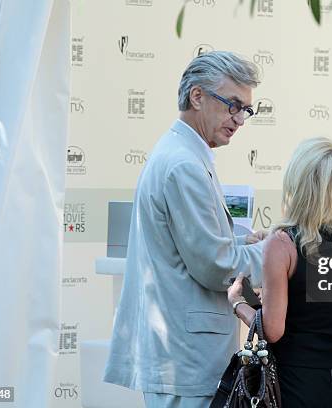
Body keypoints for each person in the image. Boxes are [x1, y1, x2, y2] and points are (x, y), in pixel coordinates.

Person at [103, 51, 266, 408]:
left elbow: (186, 244)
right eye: (232, 105)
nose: (239, 119)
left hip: (182, 356)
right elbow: (216, 265)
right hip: (186, 358)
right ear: (197, 96)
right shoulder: (183, 164)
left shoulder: (181, 153)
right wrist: (276, 251)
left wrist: (244, 241)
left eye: (246, 110)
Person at [228, 137, 332, 407]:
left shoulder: (283, 245)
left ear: (299, 185)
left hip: (295, 381)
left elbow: (272, 330)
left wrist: (238, 301)